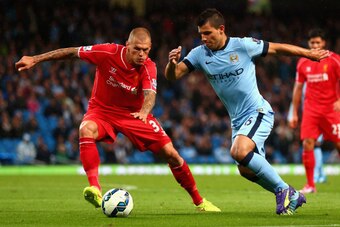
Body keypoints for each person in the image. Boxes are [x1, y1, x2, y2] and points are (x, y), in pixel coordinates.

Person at [15, 27, 220, 212]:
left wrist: (144, 111)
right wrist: (36, 59)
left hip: (134, 115)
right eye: (137, 49)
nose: (142, 54)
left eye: (146, 50)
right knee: (85, 129)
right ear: (127, 45)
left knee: (171, 153)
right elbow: (72, 52)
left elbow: (150, 94)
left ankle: (199, 201)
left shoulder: (149, 66)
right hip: (102, 111)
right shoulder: (107, 52)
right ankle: (94, 188)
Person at [165, 8, 329, 215]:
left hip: (258, 112)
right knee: (245, 170)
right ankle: (293, 194)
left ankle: (284, 190)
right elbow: (173, 75)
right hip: (238, 121)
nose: (203, 38)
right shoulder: (199, 54)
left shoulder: (242, 45)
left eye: (208, 33)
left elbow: (277, 49)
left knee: (239, 151)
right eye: (201, 34)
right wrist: (171, 64)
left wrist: (309, 54)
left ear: (221, 29)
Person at [288, 28, 340, 193]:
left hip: (332, 109)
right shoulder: (303, 62)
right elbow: (297, 88)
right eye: (312, 43)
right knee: (307, 143)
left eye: (318, 42)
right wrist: (294, 112)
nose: (315, 45)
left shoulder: (334, 60)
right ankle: (310, 185)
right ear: (308, 44)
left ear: (323, 43)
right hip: (311, 110)